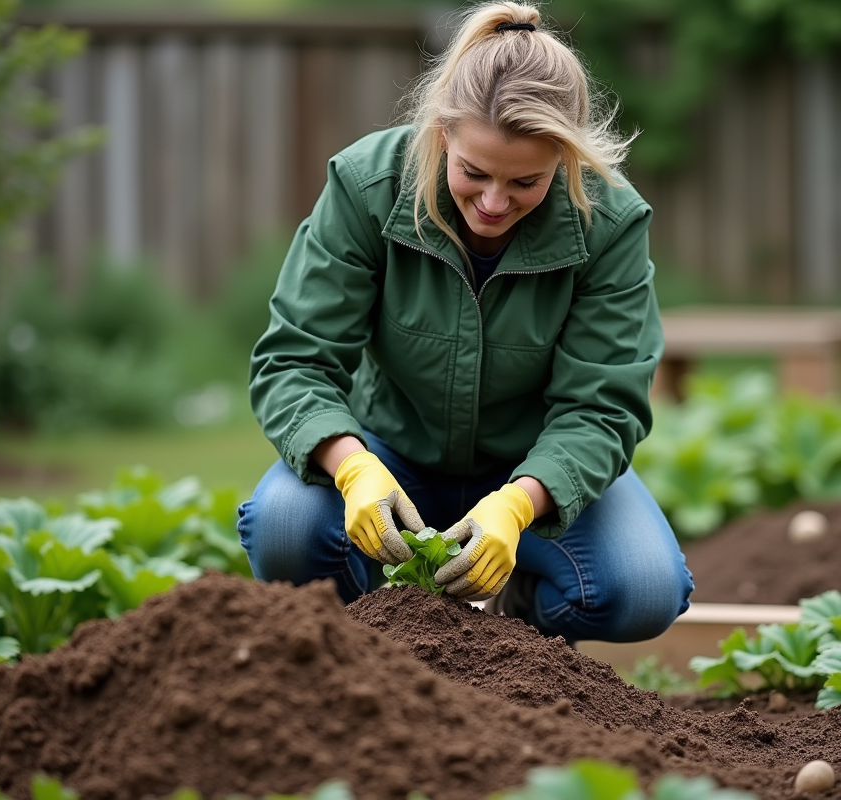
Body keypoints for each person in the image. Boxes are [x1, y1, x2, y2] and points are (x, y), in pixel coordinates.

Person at [238, 0, 694, 644]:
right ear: (442, 132)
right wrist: (350, 466)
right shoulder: (367, 186)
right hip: (390, 452)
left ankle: (513, 638)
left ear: (565, 158)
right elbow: (294, 360)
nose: (493, 202)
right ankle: (366, 647)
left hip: (532, 470)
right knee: (285, 525)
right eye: (473, 173)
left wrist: (520, 503)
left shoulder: (610, 222)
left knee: (643, 589)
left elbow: (603, 406)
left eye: (526, 182)